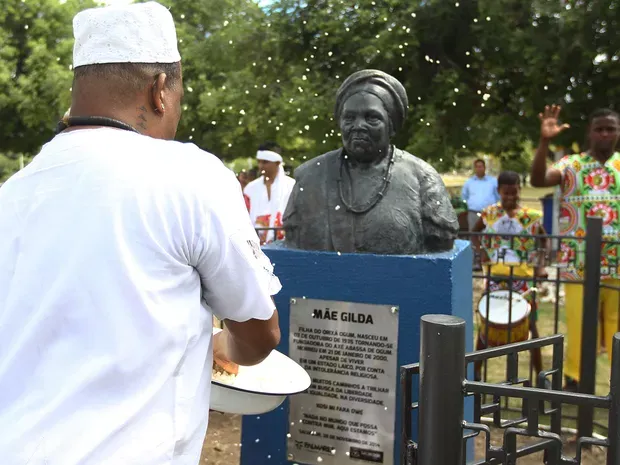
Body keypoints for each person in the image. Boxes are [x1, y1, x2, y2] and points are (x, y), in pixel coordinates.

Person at [0, 3, 281, 464]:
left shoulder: (15, 191)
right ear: (159, 92)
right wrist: (220, 346)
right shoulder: (189, 175)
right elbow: (258, 335)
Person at [283, 70, 458, 254]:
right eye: (349, 118)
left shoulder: (423, 178)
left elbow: (441, 242)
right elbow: (294, 241)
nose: (358, 126)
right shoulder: (309, 177)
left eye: (372, 118)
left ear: (391, 126)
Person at [530, 104, 620, 391]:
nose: (605, 134)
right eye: (599, 129)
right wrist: (544, 142)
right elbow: (537, 180)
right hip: (578, 265)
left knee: (617, 331)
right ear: (590, 133)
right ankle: (577, 387)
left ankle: (615, 392)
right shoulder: (571, 165)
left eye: (611, 129)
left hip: (618, 265)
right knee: (582, 329)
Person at [471, 171, 548, 380]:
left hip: (523, 278)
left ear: (519, 191)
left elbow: (544, 240)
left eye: (514, 193)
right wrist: (482, 251)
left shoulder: (530, 217)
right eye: (506, 193)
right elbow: (474, 233)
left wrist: (541, 266)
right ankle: (475, 373)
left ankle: (541, 376)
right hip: (496, 277)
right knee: (487, 325)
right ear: (499, 192)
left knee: (530, 324)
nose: (510, 197)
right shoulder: (490, 214)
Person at [244, 142, 296, 244]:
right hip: (254, 245)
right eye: (259, 162)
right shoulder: (250, 189)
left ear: (277, 163)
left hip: (284, 244)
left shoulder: (291, 186)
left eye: (265, 162)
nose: (260, 166)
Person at [462, 159, 500, 231]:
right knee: (473, 234)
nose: (479, 169)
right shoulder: (469, 182)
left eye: (481, 166)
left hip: (490, 214)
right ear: (474, 168)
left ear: (484, 168)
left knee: (489, 234)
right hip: (473, 213)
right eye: (477, 167)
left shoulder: (493, 181)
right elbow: (464, 196)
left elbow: (498, 196)